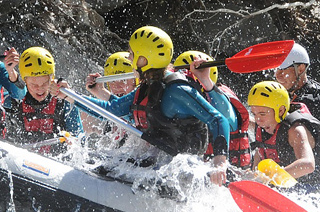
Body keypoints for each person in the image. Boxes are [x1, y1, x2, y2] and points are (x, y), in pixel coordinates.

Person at [60, 26, 231, 186]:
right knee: (96, 161)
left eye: (132, 54)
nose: (129, 58)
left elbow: (218, 119)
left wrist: (220, 161)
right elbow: (112, 109)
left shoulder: (177, 91)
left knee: (108, 167)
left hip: (180, 170)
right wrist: (70, 96)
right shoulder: (148, 86)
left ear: (143, 59)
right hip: (158, 162)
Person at [274, 43, 320, 188]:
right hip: (288, 162)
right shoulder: (275, 94)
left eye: (283, 69)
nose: (278, 75)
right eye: (276, 69)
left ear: (300, 68)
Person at [174, 50, 252, 169]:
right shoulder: (178, 100)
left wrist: (204, 80)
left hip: (232, 173)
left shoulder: (221, 101)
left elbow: (224, 115)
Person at [247, 80, 320, 192]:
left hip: (308, 189)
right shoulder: (263, 126)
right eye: (254, 114)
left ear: (280, 111)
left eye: (262, 114)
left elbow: (308, 164)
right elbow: (261, 152)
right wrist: (253, 177)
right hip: (281, 187)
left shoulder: (295, 130)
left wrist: (271, 178)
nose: (258, 119)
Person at [8, 46, 83, 154]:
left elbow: (80, 141)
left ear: (51, 79)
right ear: (25, 81)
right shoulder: (14, 100)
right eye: (33, 85)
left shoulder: (64, 101)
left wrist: (72, 142)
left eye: (44, 83)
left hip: (56, 162)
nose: (40, 89)